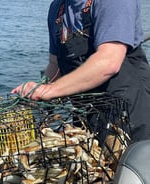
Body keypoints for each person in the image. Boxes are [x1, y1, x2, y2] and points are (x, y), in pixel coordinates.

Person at [11, 0, 150, 141]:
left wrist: (50, 90)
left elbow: (109, 61)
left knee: (127, 160)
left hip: (128, 113)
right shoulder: (57, 8)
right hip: (85, 116)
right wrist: (37, 90)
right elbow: (55, 65)